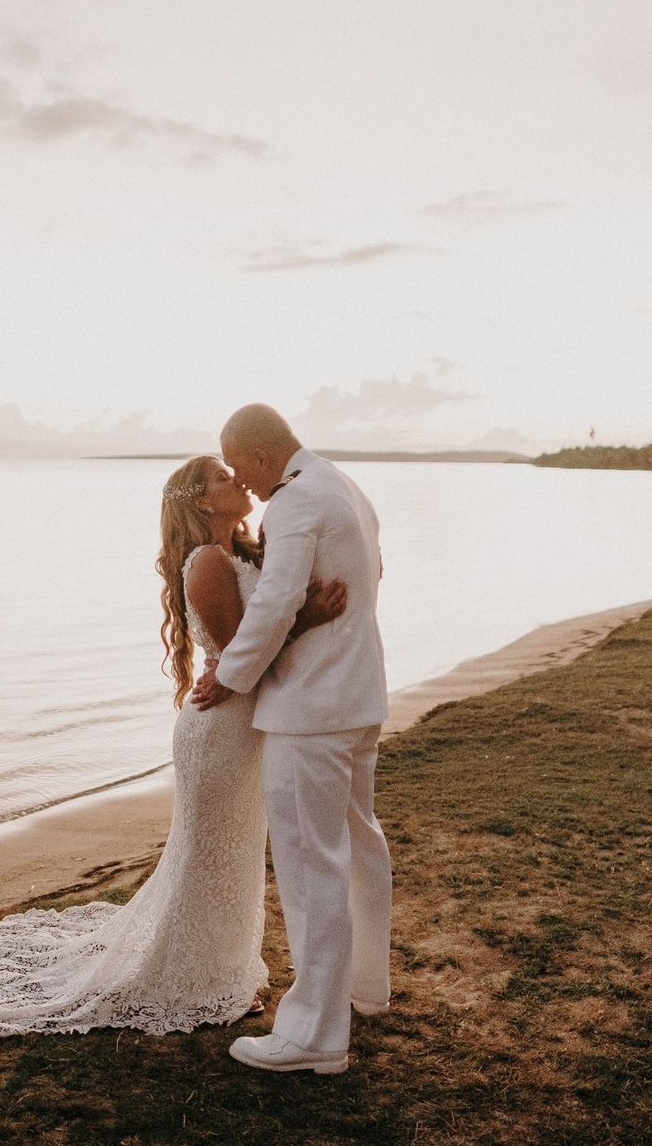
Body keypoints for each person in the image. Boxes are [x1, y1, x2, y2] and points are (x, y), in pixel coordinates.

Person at [0, 454, 347, 1037]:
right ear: (202, 501)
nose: (238, 481)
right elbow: (244, 657)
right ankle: (188, 978)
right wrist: (307, 620)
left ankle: (221, 969)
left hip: (241, 727)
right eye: (223, 478)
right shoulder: (206, 562)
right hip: (220, 732)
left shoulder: (242, 554)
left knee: (232, 853)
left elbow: (247, 645)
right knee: (209, 856)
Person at [192, 403, 391, 1076]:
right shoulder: (345, 486)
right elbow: (375, 578)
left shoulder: (296, 502)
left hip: (311, 710)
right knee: (360, 845)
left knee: (310, 868)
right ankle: (367, 988)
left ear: (255, 456)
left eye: (239, 464)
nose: (245, 483)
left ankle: (313, 1035)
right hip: (358, 695)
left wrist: (232, 675)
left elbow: (276, 603)